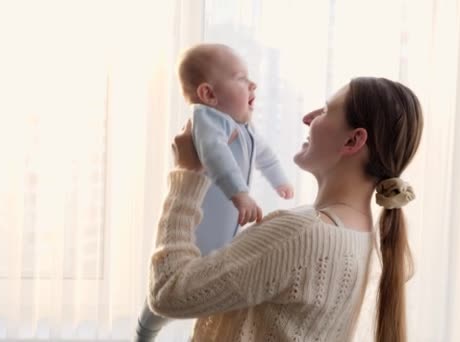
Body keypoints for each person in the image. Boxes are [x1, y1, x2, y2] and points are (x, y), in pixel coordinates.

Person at [148, 77, 423, 342]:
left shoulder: (300, 233)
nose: (308, 118)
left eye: (326, 110)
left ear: (353, 141)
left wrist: (187, 176)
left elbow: (167, 293)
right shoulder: (362, 236)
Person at [134, 43, 294, 341]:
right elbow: (215, 156)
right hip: (195, 236)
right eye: (241, 78)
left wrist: (280, 180)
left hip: (222, 241)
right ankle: (142, 333)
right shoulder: (206, 119)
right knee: (163, 302)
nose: (253, 84)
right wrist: (240, 194)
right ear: (209, 94)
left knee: (203, 296)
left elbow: (265, 155)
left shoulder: (243, 126)